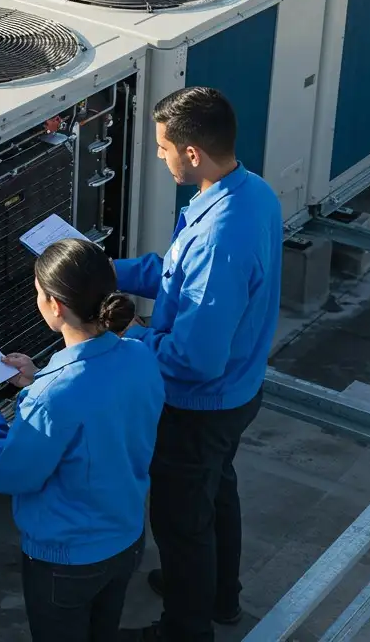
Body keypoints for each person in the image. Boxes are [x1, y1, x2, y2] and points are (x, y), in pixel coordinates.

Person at [114, 87, 283, 642]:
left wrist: (126, 336)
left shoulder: (219, 236)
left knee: (182, 523)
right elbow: (174, 276)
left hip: (198, 409)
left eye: (164, 148)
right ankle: (219, 597)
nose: (159, 156)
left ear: (192, 152)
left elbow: (195, 359)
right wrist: (104, 269)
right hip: (240, 391)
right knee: (217, 493)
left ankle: (185, 630)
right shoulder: (252, 193)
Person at [0, 237, 166, 642]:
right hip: (126, 539)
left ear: (55, 306)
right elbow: (97, 406)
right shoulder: (141, 355)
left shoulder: (52, 397)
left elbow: (8, 474)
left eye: (38, 293)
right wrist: (38, 377)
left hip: (66, 562)